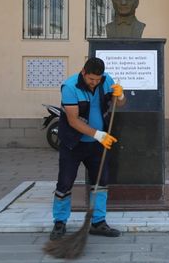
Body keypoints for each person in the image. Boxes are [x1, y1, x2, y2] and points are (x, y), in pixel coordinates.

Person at [49, 57, 126, 240]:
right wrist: (98, 134)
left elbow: (119, 104)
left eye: (98, 80)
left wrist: (121, 96)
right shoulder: (69, 87)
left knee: (101, 182)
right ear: (83, 72)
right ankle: (60, 222)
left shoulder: (106, 80)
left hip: (98, 145)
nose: (94, 83)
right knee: (65, 182)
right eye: (91, 79)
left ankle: (98, 222)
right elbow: (73, 120)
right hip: (73, 144)